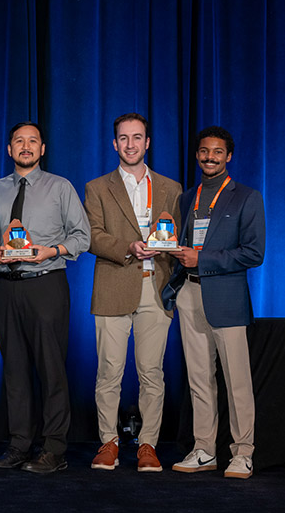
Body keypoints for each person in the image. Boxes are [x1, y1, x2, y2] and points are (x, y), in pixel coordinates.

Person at [0, 121, 89, 474]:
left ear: (42, 149)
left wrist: (52, 251)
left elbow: (82, 236)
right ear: (9, 149)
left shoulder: (61, 187)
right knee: (14, 370)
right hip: (4, 286)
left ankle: (54, 448)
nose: (25, 146)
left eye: (33, 141)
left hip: (46, 284)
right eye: (18, 141)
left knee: (51, 368)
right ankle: (18, 445)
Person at [163, 126, 264, 479]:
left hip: (227, 297)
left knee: (237, 381)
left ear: (229, 156)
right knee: (199, 378)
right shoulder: (187, 197)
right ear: (197, 155)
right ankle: (204, 449)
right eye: (204, 151)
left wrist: (201, 260)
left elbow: (254, 253)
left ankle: (243, 452)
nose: (210, 157)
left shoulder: (246, 197)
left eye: (217, 152)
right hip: (190, 294)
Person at [84, 113, 182, 472]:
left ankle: (148, 445)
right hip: (114, 283)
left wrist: (165, 247)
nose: (130, 145)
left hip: (156, 286)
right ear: (114, 144)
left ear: (147, 142)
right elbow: (92, 235)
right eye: (123, 138)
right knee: (109, 370)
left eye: (137, 138)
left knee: (151, 372)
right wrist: (129, 246)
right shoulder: (97, 187)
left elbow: (178, 237)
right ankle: (108, 442)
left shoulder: (171, 188)